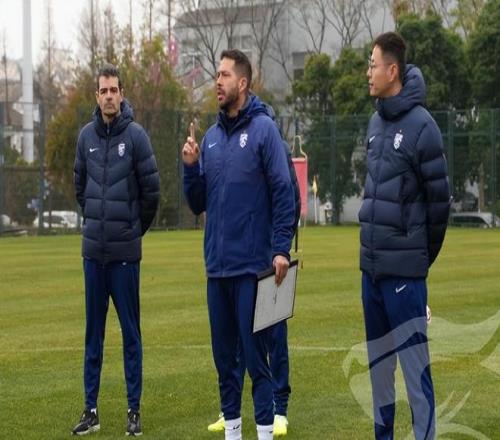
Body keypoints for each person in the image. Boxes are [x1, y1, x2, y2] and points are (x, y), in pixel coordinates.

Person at [183, 49, 295, 440]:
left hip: (252, 268)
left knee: (255, 361)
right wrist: (190, 168)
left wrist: (280, 248)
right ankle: (233, 433)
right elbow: (198, 202)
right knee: (224, 364)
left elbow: (284, 191)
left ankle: (264, 431)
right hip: (217, 270)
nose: (218, 81)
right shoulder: (211, 139)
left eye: (226, 75)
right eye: (217, 75)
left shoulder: (264, 130)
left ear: (243, 83)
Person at [359, 32, 450, 439]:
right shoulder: (375, 122)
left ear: (392, 70)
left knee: (415, 376)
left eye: (373, 65)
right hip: (371, 273)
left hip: (404, 277)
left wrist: (417, 261)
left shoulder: (423, 126)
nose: (368, 73)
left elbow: (439, 204)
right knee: (380, 376)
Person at [72, 63, 159, 436]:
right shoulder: (85, 137)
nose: (109, 96)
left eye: (113, 90)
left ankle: (133, 410)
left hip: (125, 255)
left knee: (130, 335)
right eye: (103, 91)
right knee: (93, 336)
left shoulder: (136, 137)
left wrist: (131, 230)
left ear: (122, 94)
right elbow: (80, 189)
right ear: (97, 96)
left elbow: (152, 193)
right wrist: (97, 224)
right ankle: (90, 410)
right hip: (94, 254)